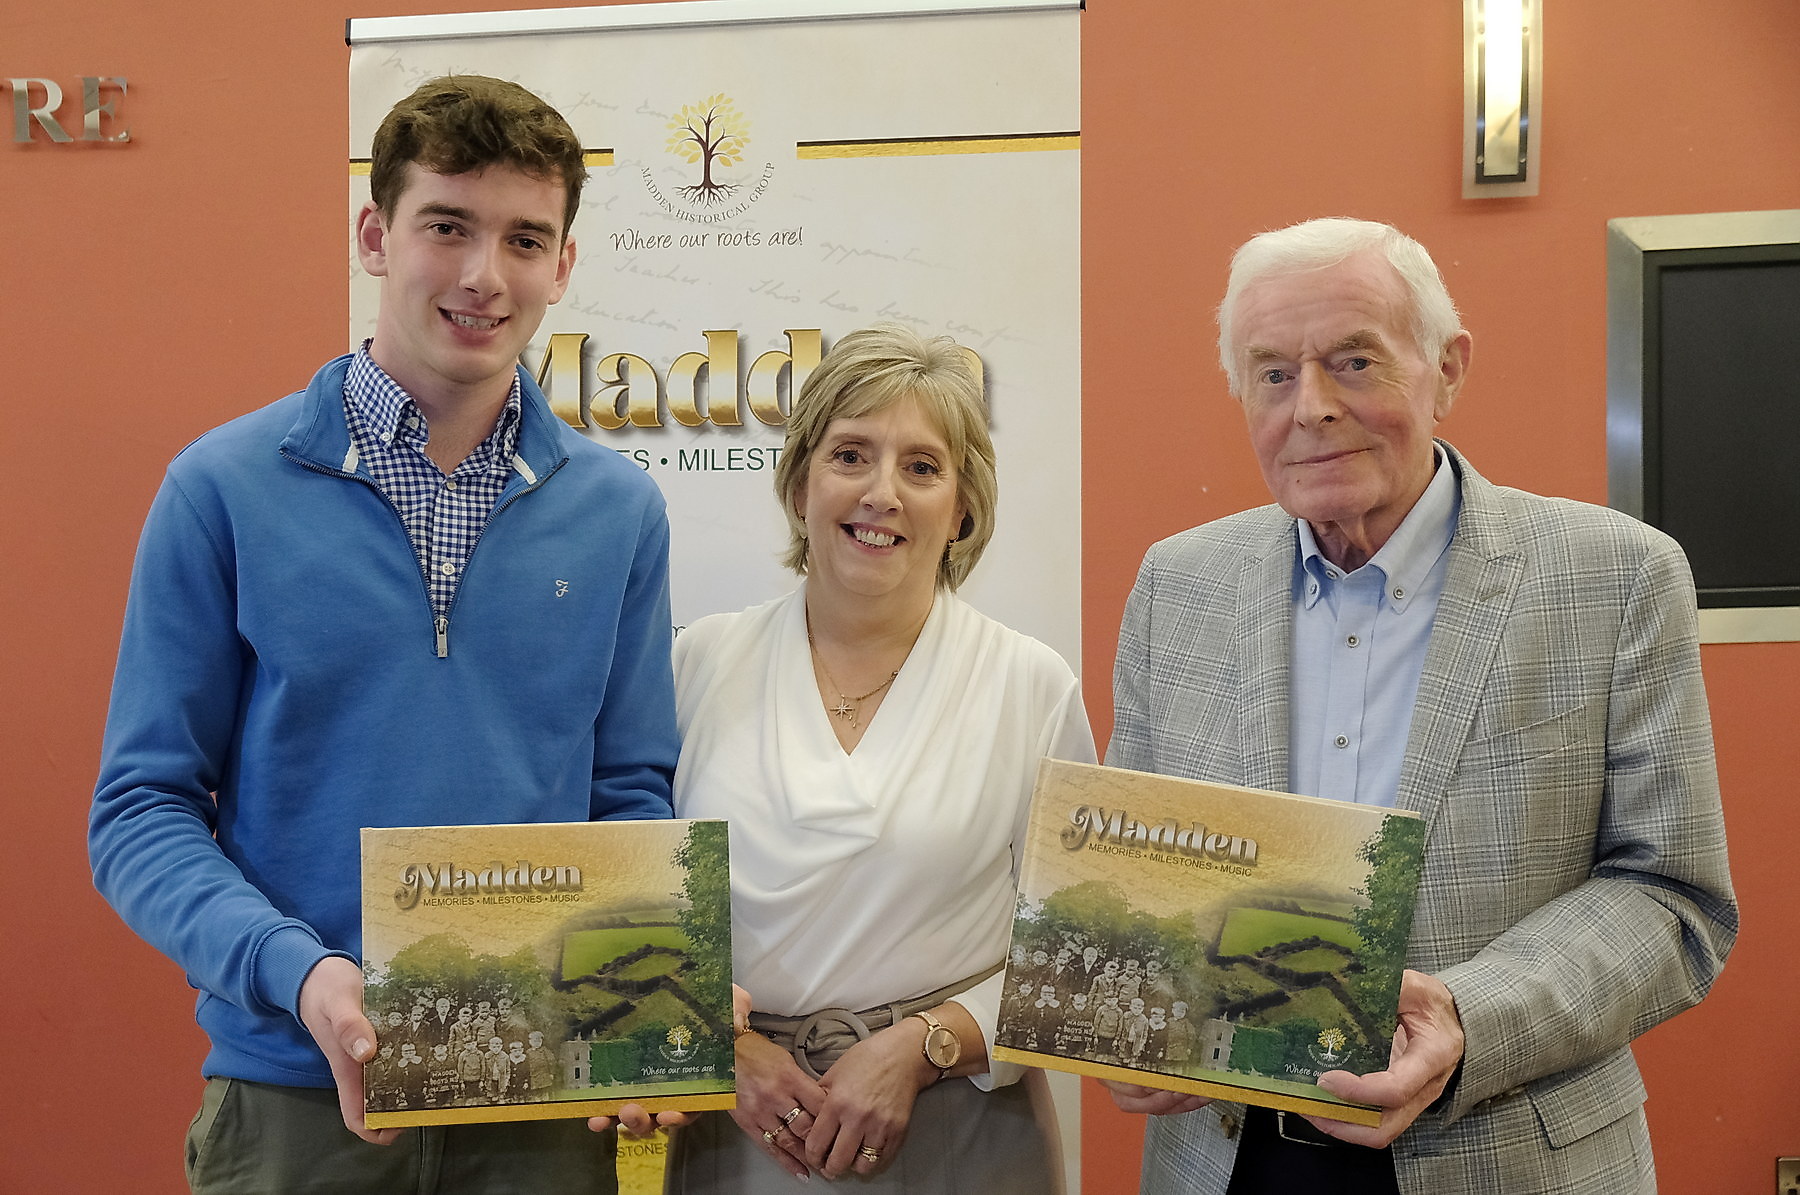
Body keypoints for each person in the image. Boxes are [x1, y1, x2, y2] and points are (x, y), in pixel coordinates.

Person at [87, 74, 680, 1192]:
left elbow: (630, 801)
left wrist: (635, 1020)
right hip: (293, 1100)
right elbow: (139, 811)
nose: (481, 276)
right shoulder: (220, 489)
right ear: (375, 234)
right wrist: (299, 973)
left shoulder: (620, 511)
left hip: (541, 1109)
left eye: (524, 238)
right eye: (445, 226)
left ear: (563, 266)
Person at [1104, 217, 1737, 1193]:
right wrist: (1140, 1001)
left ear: (1448, 368)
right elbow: (1146, 872)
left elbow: (1672, 897)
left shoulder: (1616, 578)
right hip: (1228, 1158)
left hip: (1508, 1152)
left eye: (1354, 361)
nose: (1310, 406)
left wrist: (1466, 1018)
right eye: (1272, 373)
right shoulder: (1176, 586)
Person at [664, 322, 1096, 1192]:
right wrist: (725, 1045)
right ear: (798, 485)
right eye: (851, 454)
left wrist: (926, 1045)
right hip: (741, 1128)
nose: (882, 493)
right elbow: (634, 908)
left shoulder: (1028, 684)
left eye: (922, 467)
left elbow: (1086, 952)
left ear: (963, 505)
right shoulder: (696, 663)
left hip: (960, 1131)